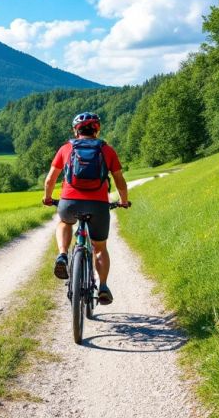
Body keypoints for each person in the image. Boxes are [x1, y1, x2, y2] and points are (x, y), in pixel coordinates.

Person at [42, 112, 129, 305]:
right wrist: (123, 201)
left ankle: (63, 254)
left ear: (76, 130)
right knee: (100, 248)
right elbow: (120, 182)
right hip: (98, 205)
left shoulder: (66, 149)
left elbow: (50, 180)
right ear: (97, 129)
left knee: (65, 222)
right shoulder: (107, 150)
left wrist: (47, 198)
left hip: (69, 202)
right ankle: (103, 286)